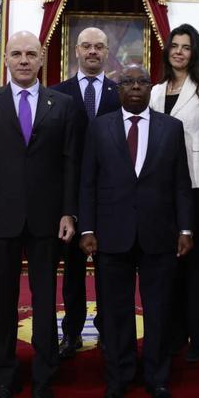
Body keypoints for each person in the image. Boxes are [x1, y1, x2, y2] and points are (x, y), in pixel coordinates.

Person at [0, 30, 80, 398]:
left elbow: (69, 163)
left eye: (31, 53)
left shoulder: (61, 104)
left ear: (42, 58)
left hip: (48, 219)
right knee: (4, 301)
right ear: (6, 59)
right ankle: (5, 377)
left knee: (45, 302)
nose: (24, 60)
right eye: (17, 53)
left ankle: (44, 378)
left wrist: (69, 211)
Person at [78, 65, 194, 398]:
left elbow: (181, 184)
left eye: (142, 82)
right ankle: (119, 377)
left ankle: (158, 379)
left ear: (150, 87)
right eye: (127, 82)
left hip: (160, 234)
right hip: (111, 235)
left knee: (158, 311)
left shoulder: (171, 128)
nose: (134, 87)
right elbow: (88, 182)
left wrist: (186, 228)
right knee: (116, 312)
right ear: (117, 89)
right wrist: (87, 228)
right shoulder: (99, 128)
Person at [149, 24, 199, 363]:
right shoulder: (155, 92)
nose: (179, 51)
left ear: (195, 53)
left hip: (195, 185)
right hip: (162, 188)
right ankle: (174, 334)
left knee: (194, 261)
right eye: (174, 46)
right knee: (168, 264)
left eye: (186, 47)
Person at [51, 27, 121, 359]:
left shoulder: (121, 92)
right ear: (76, 51)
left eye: (99, 47)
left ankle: (108, 330)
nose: (92, 52)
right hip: (70, 195)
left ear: (107, 52)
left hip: (111, 195)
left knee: (109, 269)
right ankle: (72, 333)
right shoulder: (57, 93)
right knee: (73, 270)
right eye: (87, 46)